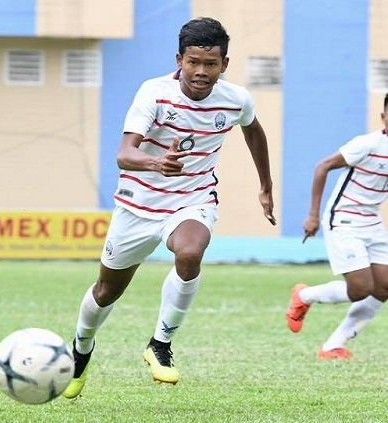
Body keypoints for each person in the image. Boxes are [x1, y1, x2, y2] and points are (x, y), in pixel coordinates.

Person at [62, 17, 276, 398]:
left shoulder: (236, 98)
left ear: (224, 65)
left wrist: (265, 186)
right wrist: (156, 162)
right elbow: (124, 154)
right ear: (180, 59)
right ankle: (81, 347)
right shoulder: (154, 93)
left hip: (193, 198)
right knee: (106, 291)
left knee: (191, 251)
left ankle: (160, 343)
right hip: (137, 205)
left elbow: (253, 129)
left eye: (211, 64)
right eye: (193, 62)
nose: (201, 72)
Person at [286, 94, 388, 360]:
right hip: (344, 219)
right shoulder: (367, 144)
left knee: (384, 286)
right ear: (383, 117)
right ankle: (305, 295)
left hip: (372, 221)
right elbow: (323, 166)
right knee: (360, 289)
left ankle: (333, 346)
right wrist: (312, 215)